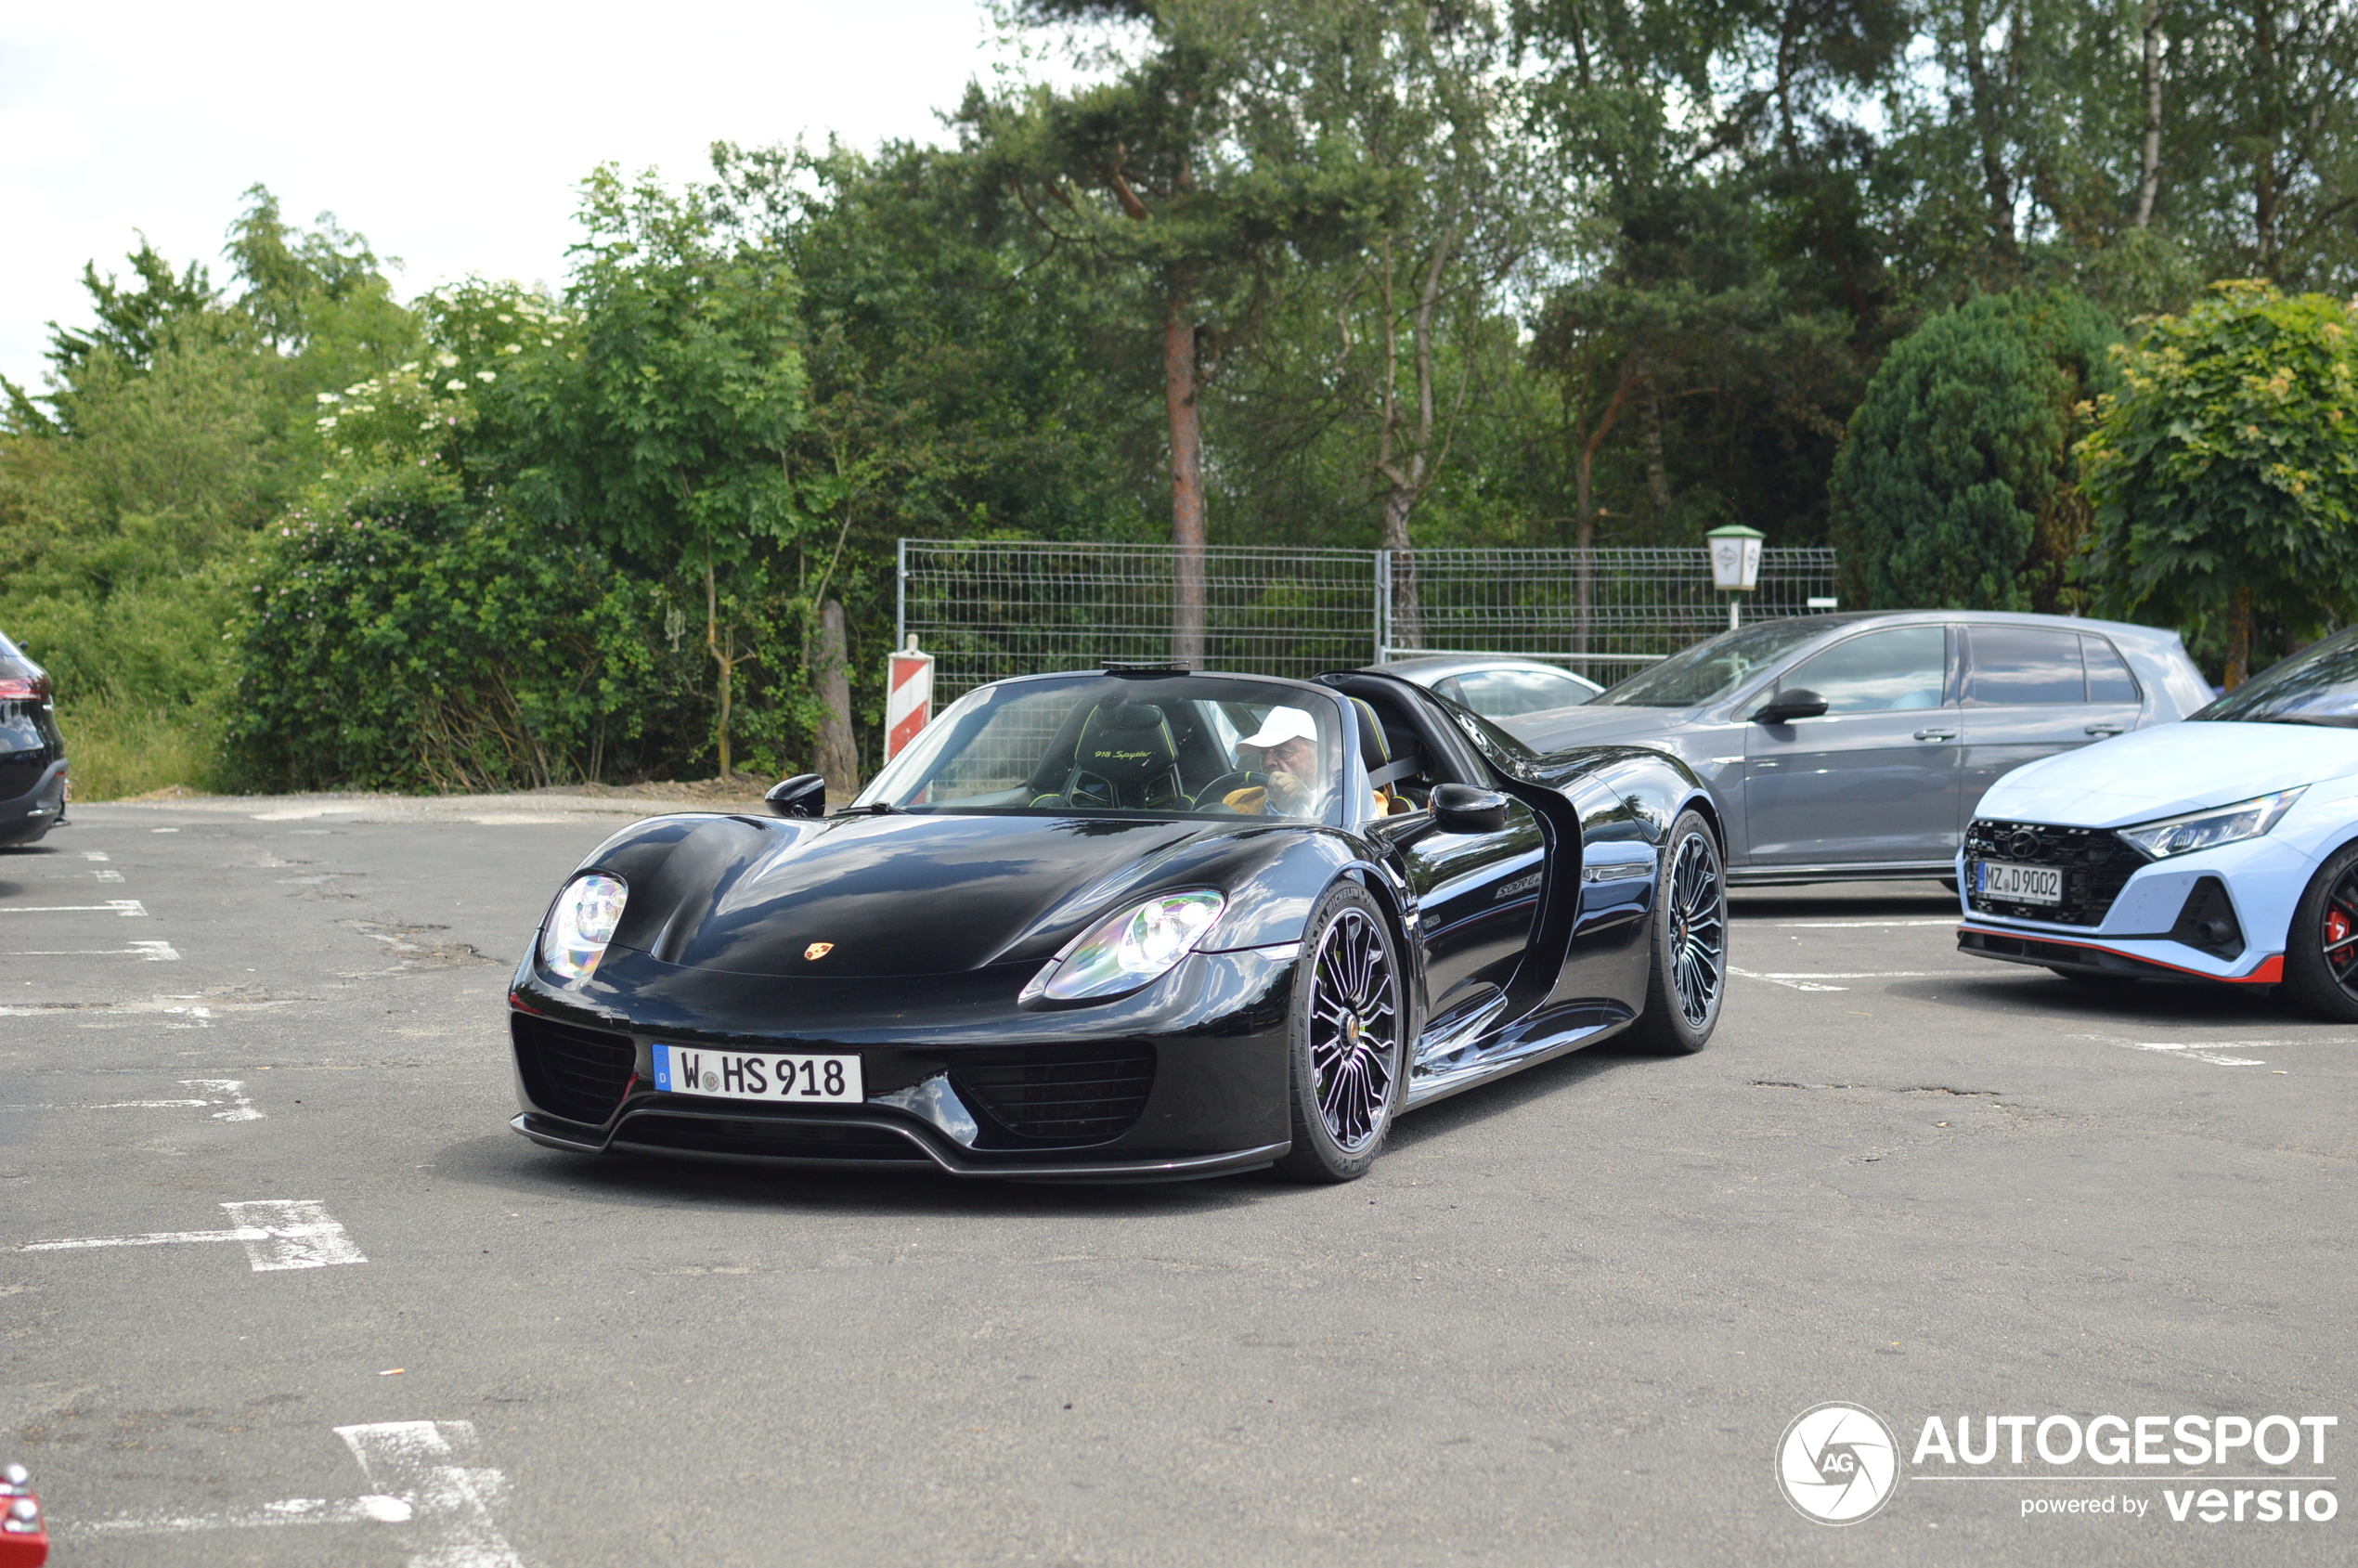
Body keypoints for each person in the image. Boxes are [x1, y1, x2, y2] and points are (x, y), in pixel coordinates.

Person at [1224, 706, 1327, 816]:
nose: (1266, 762)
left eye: (1283, 752)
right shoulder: (1236, 802)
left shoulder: (1340, 806)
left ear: (1317, 756)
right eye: (1263, 753)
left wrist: (1311, 807)